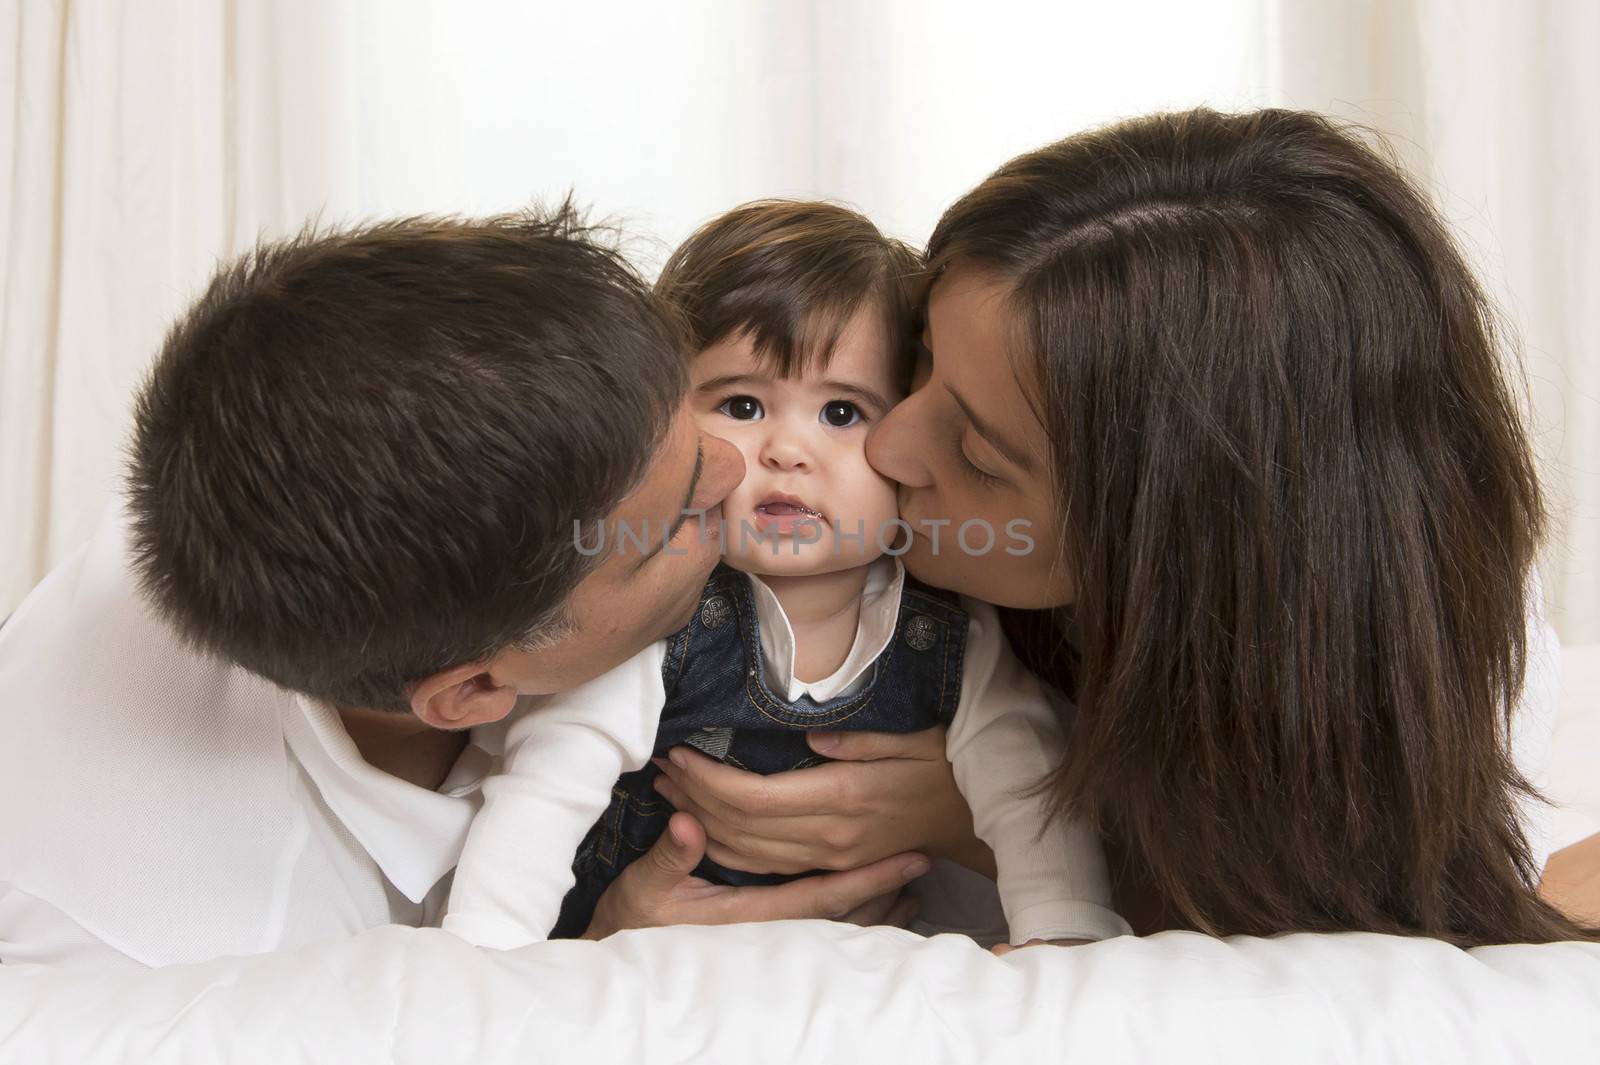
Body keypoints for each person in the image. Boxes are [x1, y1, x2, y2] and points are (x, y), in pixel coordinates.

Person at [654, 109, 1598, 945]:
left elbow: (1392, 906)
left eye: (980, 454)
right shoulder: (801, 546)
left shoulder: (1406, 673)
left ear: (1165, 545)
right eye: (922, 362)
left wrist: (971, 820)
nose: (892, 444)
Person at [0, 208, 932, 968]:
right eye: (681, 518)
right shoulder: (233, 960)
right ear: (476, 691)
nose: (743, 472)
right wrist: (597, 960)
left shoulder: (250, 470)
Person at [441, 201, 1128, 950]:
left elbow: (1025, 792)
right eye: (742, 404)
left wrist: (1063, 938)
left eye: (841, 411)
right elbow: (550, 781)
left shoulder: (952, 632)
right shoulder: (658, 610)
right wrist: (489, 947)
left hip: (859, 964)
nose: (788, 449)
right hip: (651, 952)